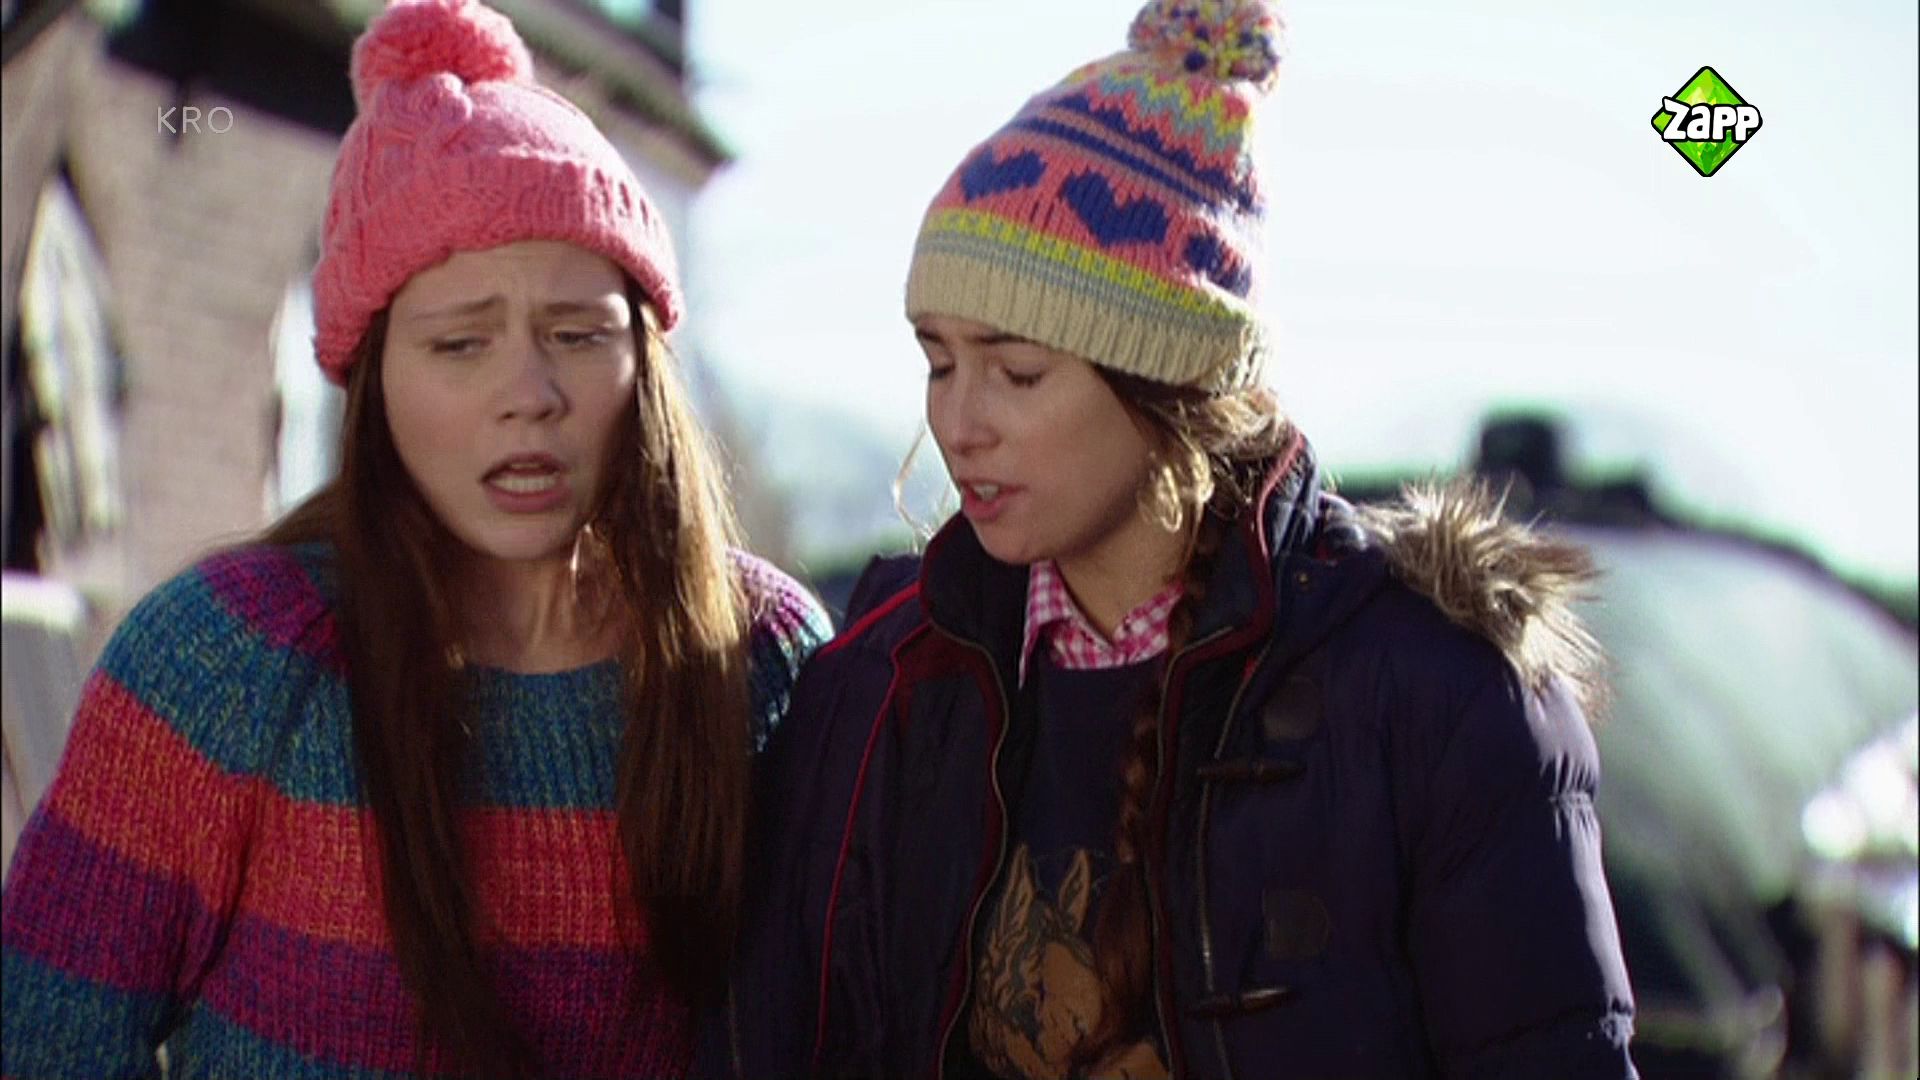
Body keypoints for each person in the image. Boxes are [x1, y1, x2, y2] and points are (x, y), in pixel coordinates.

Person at [706, 1, 1638, 1077]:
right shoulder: (880, 690)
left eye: (1017, 372)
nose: (959, 423)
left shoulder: (1438, 697)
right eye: (938, 361)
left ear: (1171, 380)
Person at [0, 2, 828, 1077]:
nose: (528, 394)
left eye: (578, 334)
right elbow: (43, 1042)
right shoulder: (220, 665)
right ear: (374, 380)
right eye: (460, 344)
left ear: (646, 362)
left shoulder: (760, 658)